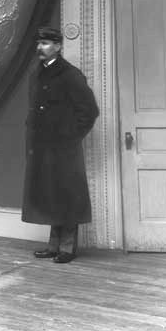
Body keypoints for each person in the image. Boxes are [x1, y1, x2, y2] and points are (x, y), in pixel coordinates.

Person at [22, 25, 99, 264]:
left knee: (67, 195)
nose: (40, 48)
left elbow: (89, 111)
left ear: (58, 46)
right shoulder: (37, 73)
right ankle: (53, 245)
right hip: (42, 148)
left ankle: (67, 247)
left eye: (45, 44)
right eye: (38, 43)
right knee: (50, 195)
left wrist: (69, 137)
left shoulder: (70, 75)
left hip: (64, 149)